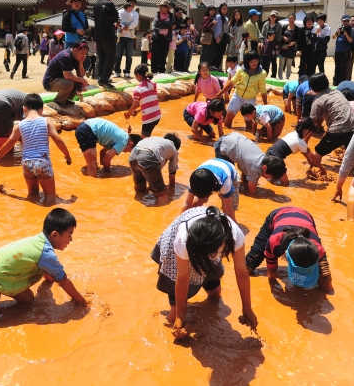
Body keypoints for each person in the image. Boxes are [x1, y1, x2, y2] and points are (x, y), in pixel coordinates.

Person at [152, 206, 255, 339]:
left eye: (212, 254)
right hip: (182, 246)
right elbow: (182, 278)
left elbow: (241, 273)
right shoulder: (182, 240)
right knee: (172, 317)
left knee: (215, 294)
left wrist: (247, 309)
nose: (206, 260)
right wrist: (180, 317)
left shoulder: (235, 235)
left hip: (206, 244)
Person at [0, 208, 89, 322]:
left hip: (6, 275)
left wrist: (49, 281)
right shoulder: (45, 253)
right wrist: (82, 302)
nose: (71, 239)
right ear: (55, 235)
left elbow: (47, 272)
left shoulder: (40, 242)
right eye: (69, 235)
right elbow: (63, 281)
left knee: (29, 300)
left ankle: (0, 294)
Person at [0, 94, 72, 206]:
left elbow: (9, 142)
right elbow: (57, 139)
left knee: (33, 195)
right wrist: (67, 155)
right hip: (42, 163)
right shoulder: (46, 121)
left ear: (24, 108)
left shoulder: (19, 125)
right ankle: (45, 215)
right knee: (50, 197)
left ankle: (32, 215)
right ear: (41, 109)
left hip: (27, 164)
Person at [245, 207, 333, 292]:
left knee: (324, 278)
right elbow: (271, 270)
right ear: (287, 257)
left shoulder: (318, 250)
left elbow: (325, 276)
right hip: (278, 215)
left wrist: (327, 287)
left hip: (305, 216)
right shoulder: (275, 241)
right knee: (249, 265)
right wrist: (272, 281)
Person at [307, 73, 354, 169]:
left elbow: (313, 123)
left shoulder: (318, 100)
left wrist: (303, 139)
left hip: (337, 130)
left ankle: (315, 169)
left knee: (319, 151)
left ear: (313, 88)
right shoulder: (338, 93)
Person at [214, 132, 287, 193]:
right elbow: (252, 193)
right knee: (227, 180)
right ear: (264, 167)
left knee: (244, 180)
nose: (269, 178)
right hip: (223, 146)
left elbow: (246, 168)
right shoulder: (255, 167)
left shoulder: (263, 158)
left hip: (232, 139)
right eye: (270, 177)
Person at [217, 51, 268, 128]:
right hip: (237, 95)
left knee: (249, 123)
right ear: (247, 62)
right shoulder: (240, 70)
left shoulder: (262, 73)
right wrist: (220, 93)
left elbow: (263, 90)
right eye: (252, 61)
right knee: (229, 116)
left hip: (250, 99)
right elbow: (232, 82)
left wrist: (265, 105)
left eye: (256, 60)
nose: (254, 63)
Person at [75, 117, 141, 177]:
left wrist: (102, 165)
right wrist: (107, 173)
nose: (126, 152)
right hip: (88, 131)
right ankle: (90, 187)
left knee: (93, 166)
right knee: (92, 167)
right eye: (130, 151)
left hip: (85, 126)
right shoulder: (123, 142)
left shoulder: (119, 137)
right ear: (131, 144)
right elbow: (107, 159)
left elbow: (102, 152)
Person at [265, 117, 323, 184]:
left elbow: (304, 151)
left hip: (269, 153)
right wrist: (322, 168)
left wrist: (308, 160)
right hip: (276, 160)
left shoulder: (293, 134)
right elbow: (313, 157)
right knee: (285, 183)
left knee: (273, 178)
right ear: (306, 131)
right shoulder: (300, 142)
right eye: (310, 133)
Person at [129, 133, 180, 205]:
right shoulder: (173, 147)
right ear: (176, 147)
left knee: (140, 186)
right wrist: (172, 189)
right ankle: (160, 213)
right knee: (161, 193)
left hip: (133, 155)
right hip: (148, 156)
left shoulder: (155, 139)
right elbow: (172, 171)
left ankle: (137, 208)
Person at [42, 40, 89, 106]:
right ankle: (57, 102)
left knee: (78, 81)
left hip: (60, 80)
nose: (84, 56)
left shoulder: (75, 57)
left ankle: (66, 100)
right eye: (82, 53)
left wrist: (81, 62)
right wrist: (82, 80)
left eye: (85, 54)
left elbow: (80, 75)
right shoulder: (66, 56)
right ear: (75, 50)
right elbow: (67, 76)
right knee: (69, 83)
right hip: (50, 82)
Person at [0, 89, 26, 160]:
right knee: (3, 136)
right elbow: (27, 124)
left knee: (3, 133)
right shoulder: (32, 105)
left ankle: (5, 157)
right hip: (0, 105)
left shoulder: (25, 100)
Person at [124, 64, 161, 137]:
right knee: (147, 136)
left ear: (138, 75)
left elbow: (135, 105)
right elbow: (151, 101)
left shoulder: (138, 89)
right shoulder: (152, 84)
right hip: (157, 115)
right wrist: (139, 110)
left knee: (144, 139)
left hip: (149, 118)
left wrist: (128, 114)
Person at [93, 0, 119, 88]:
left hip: (98, 35)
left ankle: (101, 77)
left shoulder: (96, 5)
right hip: (108, 34)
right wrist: (113, 20)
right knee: (111, 56)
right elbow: (116, 17)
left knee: (102, 57)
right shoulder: (109, 4)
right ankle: (104, 79)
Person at [151, 0, 175, 75]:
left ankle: (162, 70)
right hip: (157, 37)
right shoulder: (157, 15)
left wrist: (162, 22)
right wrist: (167, 25)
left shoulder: (171, 16)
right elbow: (156, 24)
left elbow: (171, 24)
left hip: (166, 38)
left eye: (163, 7)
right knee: (156, 54)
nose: (160, 8)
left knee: (164, 54)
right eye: (160, 6)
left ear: (167, 8)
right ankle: (154, 70)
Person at [114, 2, 136, 78]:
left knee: (129, 55)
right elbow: (116, 21)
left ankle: (127, 71)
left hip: (129, 37)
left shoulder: (134, 13)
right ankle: (117, 71)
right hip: (121, 36)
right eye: (130, 7)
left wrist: (128, 27)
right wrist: (123, 26)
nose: (131, 8)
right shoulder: (119, 12)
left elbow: (135, 23)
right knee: (118, 55)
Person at [332, 15, 354, 85]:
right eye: (344, 21)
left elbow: (351, 40)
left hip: (345, 51)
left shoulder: (351, 29)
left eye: (347, 21)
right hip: (337, 51)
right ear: (341, 21)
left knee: (343, 68)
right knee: (337, 67)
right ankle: (336, 82)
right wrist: (337, 31)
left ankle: (342, 83)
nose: (345, 22)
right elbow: (333, 37)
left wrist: (345, 34)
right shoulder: (339, 27)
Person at [258, 10, 282, 77]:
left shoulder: (279, 25)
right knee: (265, 62)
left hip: (274, 46)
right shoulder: (266, 24)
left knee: (274, 61)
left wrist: (277, 46)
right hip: (266, 45)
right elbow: (262, 34)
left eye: (274, 16)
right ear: (269, 16)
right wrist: (262, 42)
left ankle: (273, 76)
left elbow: (279, 36)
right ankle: (264, 76)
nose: (273, 17)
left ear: (276, 17)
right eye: (272, 15)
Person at [208, 3, 229, 70]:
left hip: (224, 38)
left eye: (226, 9)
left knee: (222, 53)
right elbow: (214, 27)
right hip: (218, 37)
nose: (224, 10)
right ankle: (213, 65)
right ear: (220, 9)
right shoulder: (217, 17)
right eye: (223, 9)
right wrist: (217, 36)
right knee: (219, 52)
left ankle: (217, 66)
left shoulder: (226, 18)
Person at [279, 13, 298, 80]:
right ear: (288, 19)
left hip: (291, 49)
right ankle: (280, 77)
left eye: (293, 18)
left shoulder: (297, 29)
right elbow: (279, 35)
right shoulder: (284, 27)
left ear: (295, 19)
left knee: (289, 65)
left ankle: (287, 78)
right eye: (290, 18)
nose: (291, 20)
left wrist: (294, 42)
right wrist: (283, 37)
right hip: (283, 48)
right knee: (281, 64)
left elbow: (298, 39)